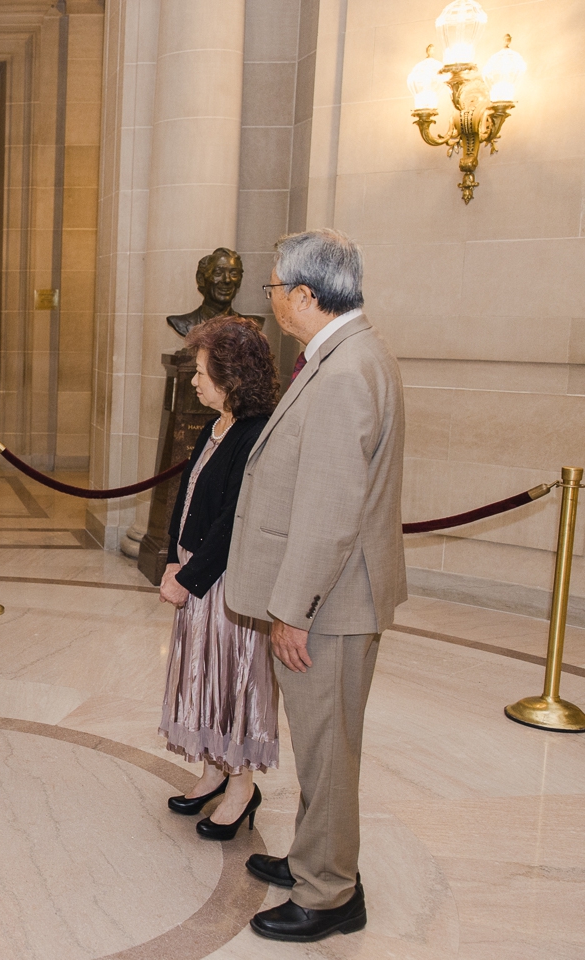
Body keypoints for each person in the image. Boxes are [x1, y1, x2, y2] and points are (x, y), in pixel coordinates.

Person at [229, 229, 405, 942]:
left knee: (328, 749)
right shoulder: (347, 353)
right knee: (323, 741)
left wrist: (293, 611)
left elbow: (331, 511)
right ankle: (314, 858)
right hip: (335, 595)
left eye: (274, 287)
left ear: (306, 295)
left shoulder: (340, 372)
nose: (269, 299)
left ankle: (330, 893)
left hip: (329, 603)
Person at [156, 315, 279, 841]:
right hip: (194, 566)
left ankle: (242, 786)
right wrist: (169, 557)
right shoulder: (215, 424)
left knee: (233, 681)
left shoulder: (255, 433)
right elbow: (185, 497)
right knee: (200, 675)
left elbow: (235, 519)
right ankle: (211, 769)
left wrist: (191, 577)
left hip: (227, 582)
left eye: (202, 371)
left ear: (229, 378)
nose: (194, 380)